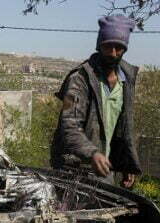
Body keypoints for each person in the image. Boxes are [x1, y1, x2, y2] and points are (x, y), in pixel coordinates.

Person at [50, 15, 142, 188]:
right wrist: (92, 154)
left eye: (119, 47)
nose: (113, 53)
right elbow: (69, 127)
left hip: (104, 169)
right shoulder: (80, 79)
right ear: (99, 45)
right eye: (108, 46)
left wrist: (126, 161)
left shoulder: (126, 79)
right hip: (74, 169)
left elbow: (122, 125)